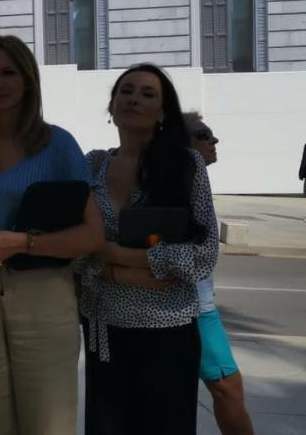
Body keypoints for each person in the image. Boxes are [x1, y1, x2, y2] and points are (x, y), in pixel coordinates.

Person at [0, 35, 104, 435]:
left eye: (8, 73)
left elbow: (93, 234)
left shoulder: (57, 145)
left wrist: (24, 243)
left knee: (47, 418)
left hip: (42, 289)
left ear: (28, 80)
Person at [78, 64, 219, 435]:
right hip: (104, 330)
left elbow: (204, 255)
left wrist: (114, 255)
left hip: (168, 332)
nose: (133, 99)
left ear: (163, 112)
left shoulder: (185, 165)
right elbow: (76, 250)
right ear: (111, 105)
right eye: (125, 91)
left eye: (147, 94)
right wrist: (118, 271)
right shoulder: (92, 165)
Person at [185, 112, 255, 435]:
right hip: (193, 307)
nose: (214, 140)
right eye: (204, 134)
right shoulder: (178, 182)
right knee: (227, 386)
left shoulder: (194, 181)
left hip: (199, 304)